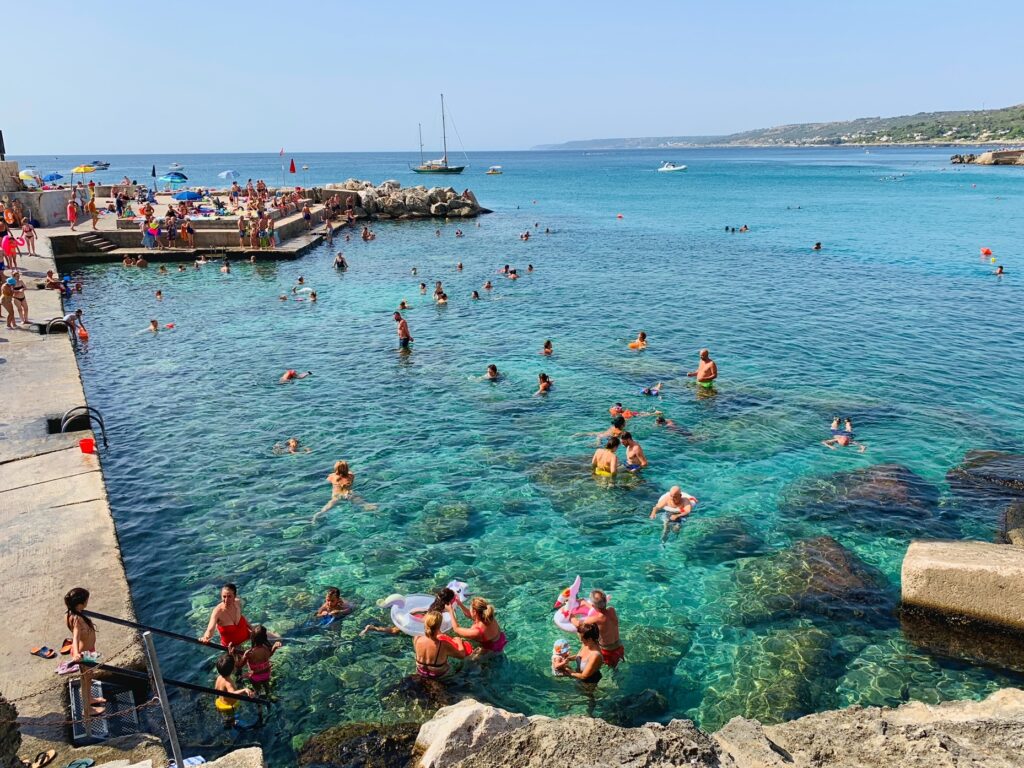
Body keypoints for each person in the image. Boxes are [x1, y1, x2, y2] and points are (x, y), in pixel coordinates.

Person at [65, 587, 105, 719]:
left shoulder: (72, 613)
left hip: (89, 651)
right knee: (85, 680)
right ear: (80, 604)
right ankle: (87, 709)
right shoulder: (77, 619)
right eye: (86, 600)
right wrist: (77, 654)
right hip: (83, 654)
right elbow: (75, 638)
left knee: (90, 676)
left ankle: (90, 699)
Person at [573, 589, 623, 669]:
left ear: (593, 606)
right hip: (619, 647)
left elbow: (579, 624)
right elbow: (600, 611)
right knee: (616, 668)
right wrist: (586, 604)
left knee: (610, 673)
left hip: (607, 652)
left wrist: (571, 615)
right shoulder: (611, 610)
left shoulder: (595, 619)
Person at [413, 610, 469, 679]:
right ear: (439, 626)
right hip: (438, 677)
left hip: (420, 673)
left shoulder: (417, 638)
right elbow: (462, 655)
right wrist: (459, 641)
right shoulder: (443, 644)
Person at [201, 583, 252, 648]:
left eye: (229, 596)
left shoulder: (237, 602)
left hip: (249, 639)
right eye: (224, 596)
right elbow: (210, 629)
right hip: (232, 649)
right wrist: (206, 638)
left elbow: (241, 617)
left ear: (234, 596)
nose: (226, 600)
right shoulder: (217, 612)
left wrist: (252, 628)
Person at [214, 653, 255, 728]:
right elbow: (232, 693)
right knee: (231, 719)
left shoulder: (219, 678)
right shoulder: (228, 683)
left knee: (226, 716)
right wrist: (244, 690)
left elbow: (216, 689)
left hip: (220, 702)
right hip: (229, 707)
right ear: (233, 669)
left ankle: (227, 720)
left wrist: (230, 654)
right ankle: (232, 723)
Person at [242, 625, 281, 701]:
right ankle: (269, 695)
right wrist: (274, 648)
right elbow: (269, 656)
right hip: (266, 674)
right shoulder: (266, 648)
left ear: (252, 637)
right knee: (267, 688)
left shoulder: (250, 653)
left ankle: (259, 701)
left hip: (255, 676)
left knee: (257, 691)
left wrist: (243, 656)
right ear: (265, 637)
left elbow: (239, 665)